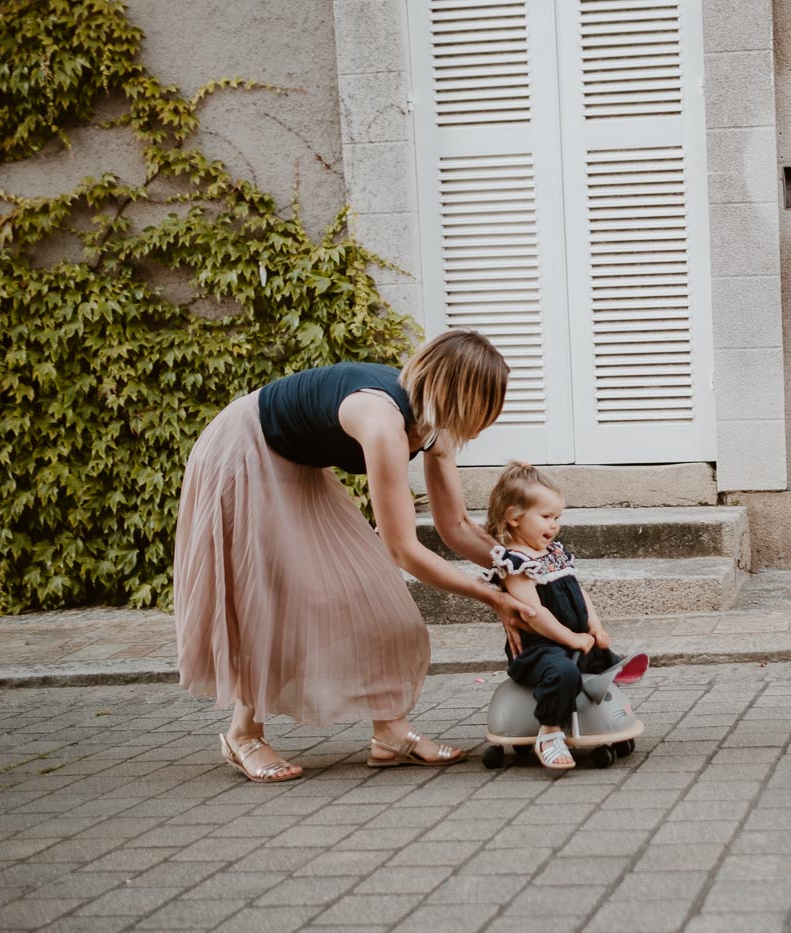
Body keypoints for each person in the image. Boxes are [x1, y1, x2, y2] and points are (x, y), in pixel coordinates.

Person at [174, 329, 538, 782]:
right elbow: (402, 549)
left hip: (296, 462)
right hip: (245, 450)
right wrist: (494, 599)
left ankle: (390, 734)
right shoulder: (381, 420)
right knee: (269, 598)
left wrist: (524, 566)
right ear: (466, 396)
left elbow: (457, 527)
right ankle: (242, 734)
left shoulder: (433, 427)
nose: (491, 418)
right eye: (490, 404)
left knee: (381, 601)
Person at [483, 462, 648, 770]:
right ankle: (549, 733)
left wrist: (594, 626)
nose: (554, 524)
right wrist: (571, 638)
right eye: (545, 517)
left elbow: (578, 592)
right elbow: (534, 615)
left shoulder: (554, 553)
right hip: (539, 650)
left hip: (575, 641)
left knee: (605, 660)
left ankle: (608, 716)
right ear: (514, 517)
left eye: (557, 517)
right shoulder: (515, 563)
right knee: (564, 673)